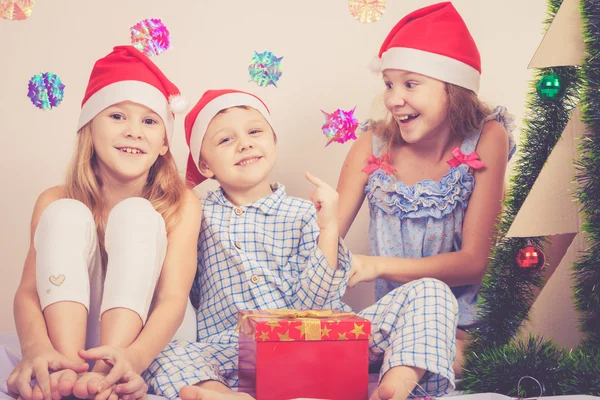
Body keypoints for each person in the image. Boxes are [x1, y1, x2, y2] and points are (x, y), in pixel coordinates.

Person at [143, 89, 459, 400]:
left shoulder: (305, 214)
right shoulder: (197, 214)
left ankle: (395, 386)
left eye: (255, 131)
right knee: (159, 352)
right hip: (235, 350)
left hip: (323, 340)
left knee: (430, 291)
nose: (245, 143)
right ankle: (220, 395)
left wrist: (329, 229)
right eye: (226, 139)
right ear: (205, 166)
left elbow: (318, 305)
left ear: (273, 142)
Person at [5, 45, 202, 400]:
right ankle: (67, 365)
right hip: (80, 341)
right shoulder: (53, 199)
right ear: (88, 129)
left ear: (162, 145)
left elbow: (174, 297)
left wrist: (136, 357)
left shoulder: (182, 202)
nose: (133, 131)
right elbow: (29, 293)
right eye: (116, 116)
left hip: (151, 338)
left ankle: (109, 368)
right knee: (64, 213)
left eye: (149, 120)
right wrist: (35, 348)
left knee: (137, 215)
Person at [336, 2, 516, 377]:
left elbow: (474, 263)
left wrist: (373, 265)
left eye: (410, 84)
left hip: (459, 329)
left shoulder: (487, 138)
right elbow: (325, 238)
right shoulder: (372, 144)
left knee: (440, 364)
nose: (392, 99)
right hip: (390, 326)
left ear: (453, 88)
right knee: (320, 362)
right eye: (388, 83)